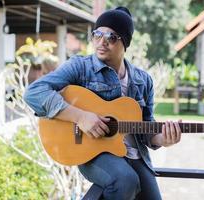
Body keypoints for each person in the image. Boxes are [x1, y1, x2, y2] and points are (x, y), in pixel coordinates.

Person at [24, 6, 182, 200]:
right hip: (94, 152)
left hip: (135, 155)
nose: (102, 42)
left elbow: (147, 127)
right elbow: (34, 92)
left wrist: (162, 139)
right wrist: (81, 117)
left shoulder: (143, 80)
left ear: (125, 42)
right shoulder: (81, 67)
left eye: (111, 37)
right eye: (97, 34)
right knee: (125, 180)